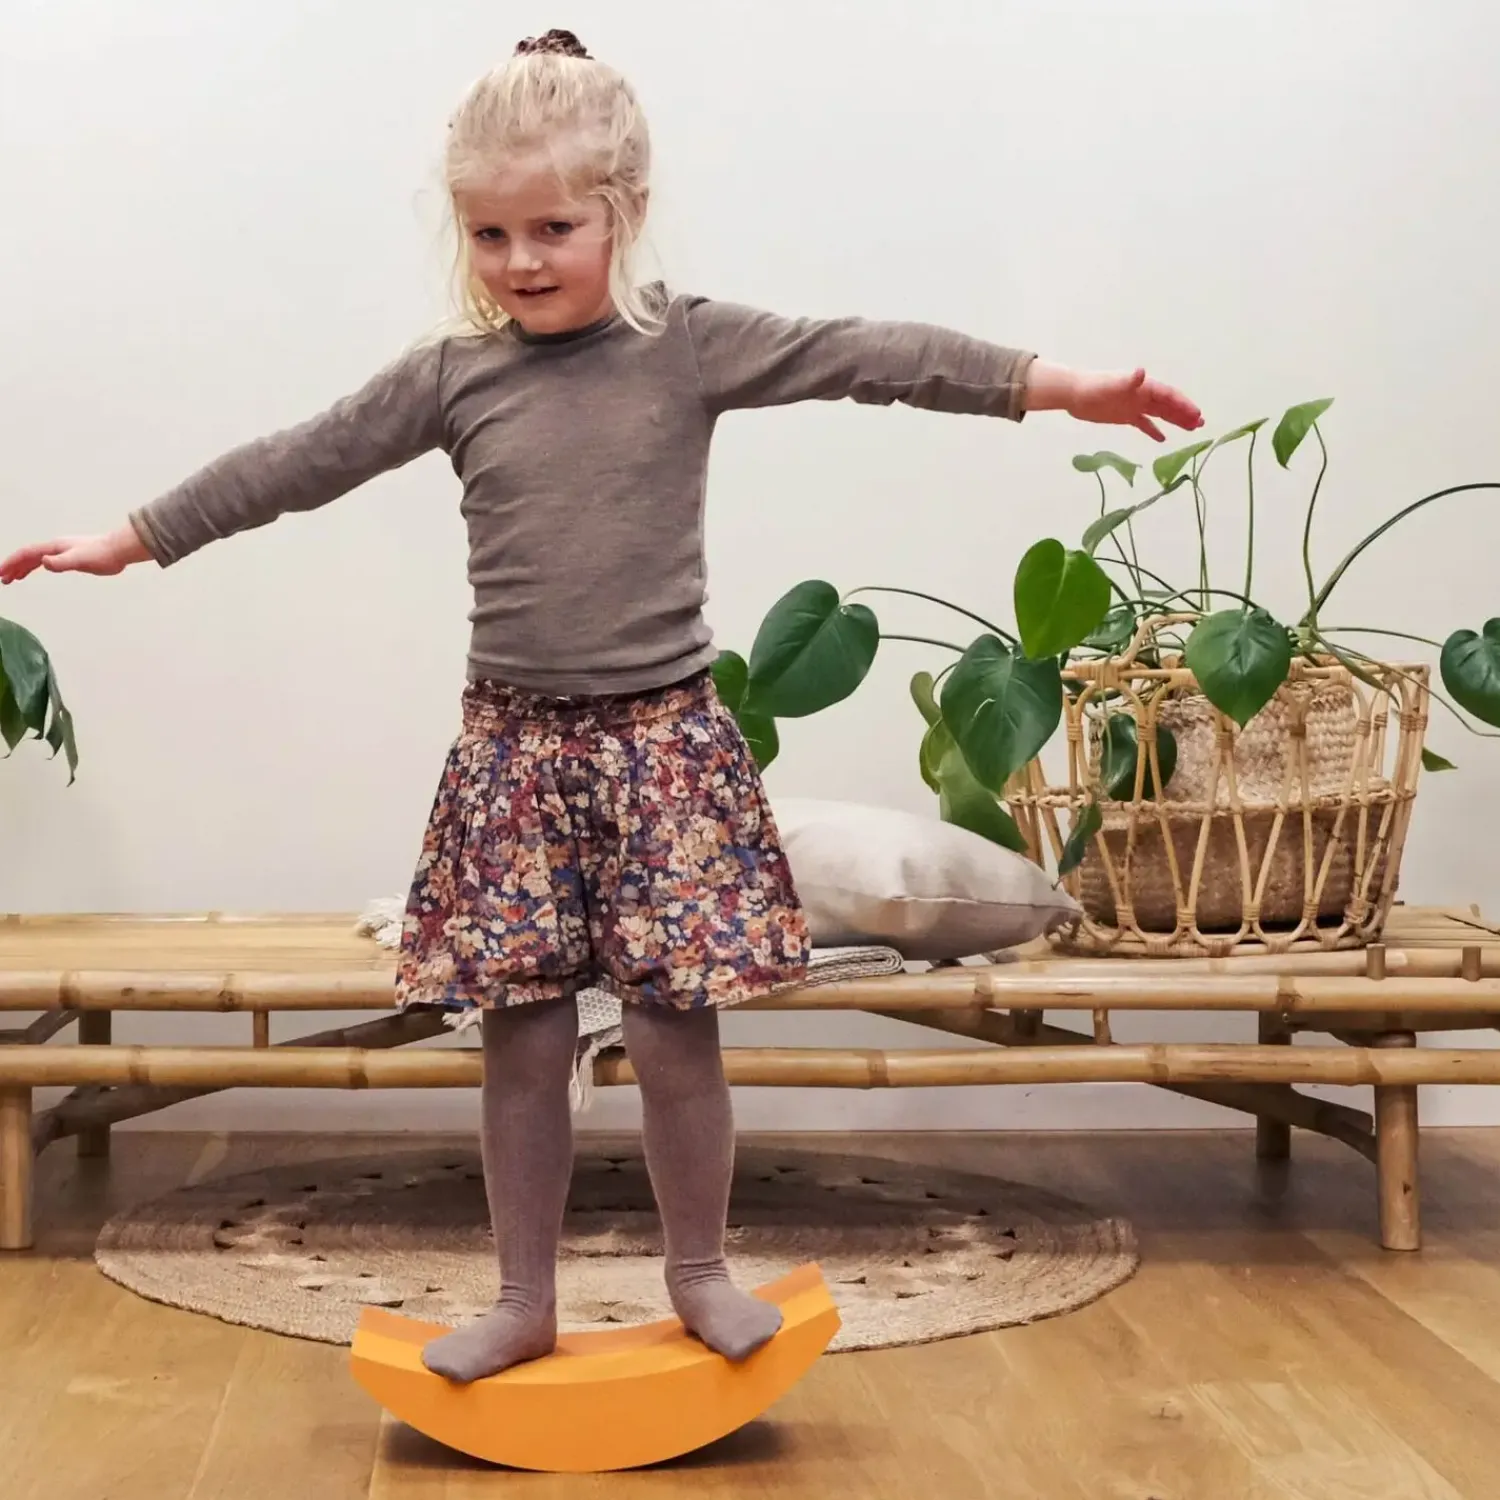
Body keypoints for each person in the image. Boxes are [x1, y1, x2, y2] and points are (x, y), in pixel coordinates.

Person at [0, 28, 1202, 1382]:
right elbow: (299, 459)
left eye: (553, 229)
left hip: (664, 747)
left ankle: (699, 1272)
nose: (520, 260)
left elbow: (869, 354)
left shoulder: (688, 345)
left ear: (622, 211)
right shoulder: (454, 373)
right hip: (512, 751)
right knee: (519, 1039)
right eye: (489, 234)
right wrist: (134, 536)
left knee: (676, 1030)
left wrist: (1059, 388)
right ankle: (523, 1298)